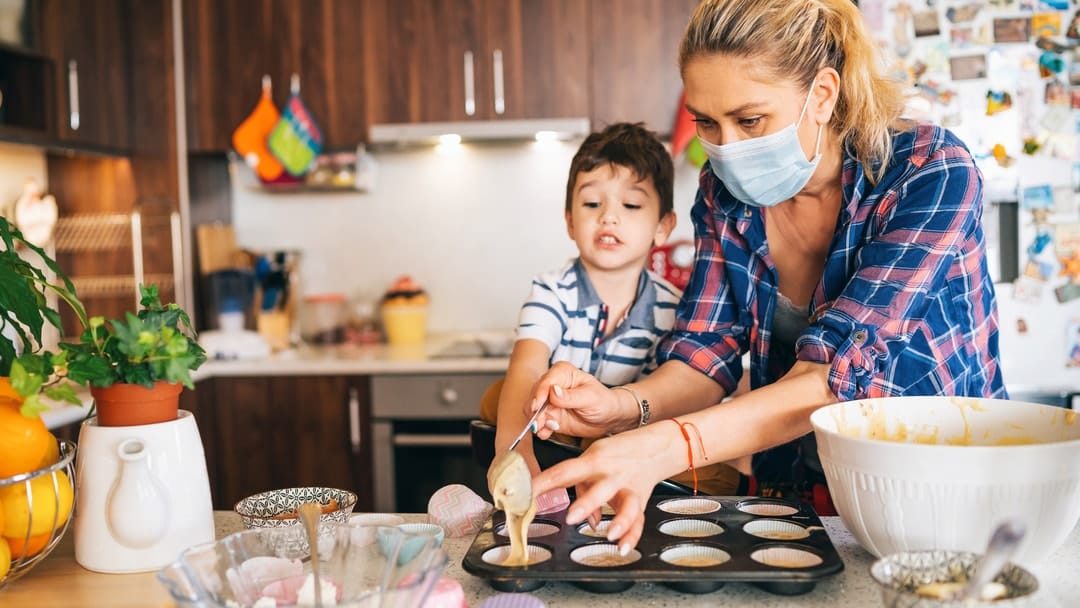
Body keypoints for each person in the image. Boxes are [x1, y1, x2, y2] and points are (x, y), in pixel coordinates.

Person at [524, 0, 1006, 554]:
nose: (725, 146)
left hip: (936, 489)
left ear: (822, 95)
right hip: (793, 490)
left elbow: (832, 381)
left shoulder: (930, 172)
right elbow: (706, 351)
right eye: (707, 121)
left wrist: (660, 448)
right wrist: (622, 406)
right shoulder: (724, 197)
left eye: (749, 120)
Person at [480, 122, 745, 512]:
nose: (609, 218)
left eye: (631, 205)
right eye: (592, 204)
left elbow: (685, 397)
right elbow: (528, 364)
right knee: (501, 393)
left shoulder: (677, 308)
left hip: (636, 443)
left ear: (663, 227)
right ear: (570, 220)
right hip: (558, 437)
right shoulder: (552, 291)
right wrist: (512, 449)